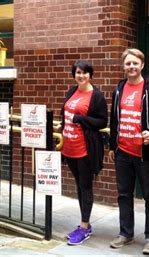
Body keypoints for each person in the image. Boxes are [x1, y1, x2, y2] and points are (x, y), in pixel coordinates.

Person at [108, 48, 149, 254]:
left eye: (135, 63)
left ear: (142, 65)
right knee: (123, 194)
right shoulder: (119, 89)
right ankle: (126, 233)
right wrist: (113, 145)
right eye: (128, 63)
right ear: (124, 66)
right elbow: (115, 119)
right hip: (122, 151)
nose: (131, 67)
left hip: (144, 153)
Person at [53, 60, 108, 245]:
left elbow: (102, 122)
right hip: (69, 148)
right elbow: (66, 112)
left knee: (85, 186)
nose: (81, 76)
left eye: (85, 73)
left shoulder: (97, 96)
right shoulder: (71, 91)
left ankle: (84, 227)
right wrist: (63, 123)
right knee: (79, 185)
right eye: (78, 72)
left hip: (85, 150)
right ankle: (85, 224)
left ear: (90, 75)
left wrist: (82, 119)